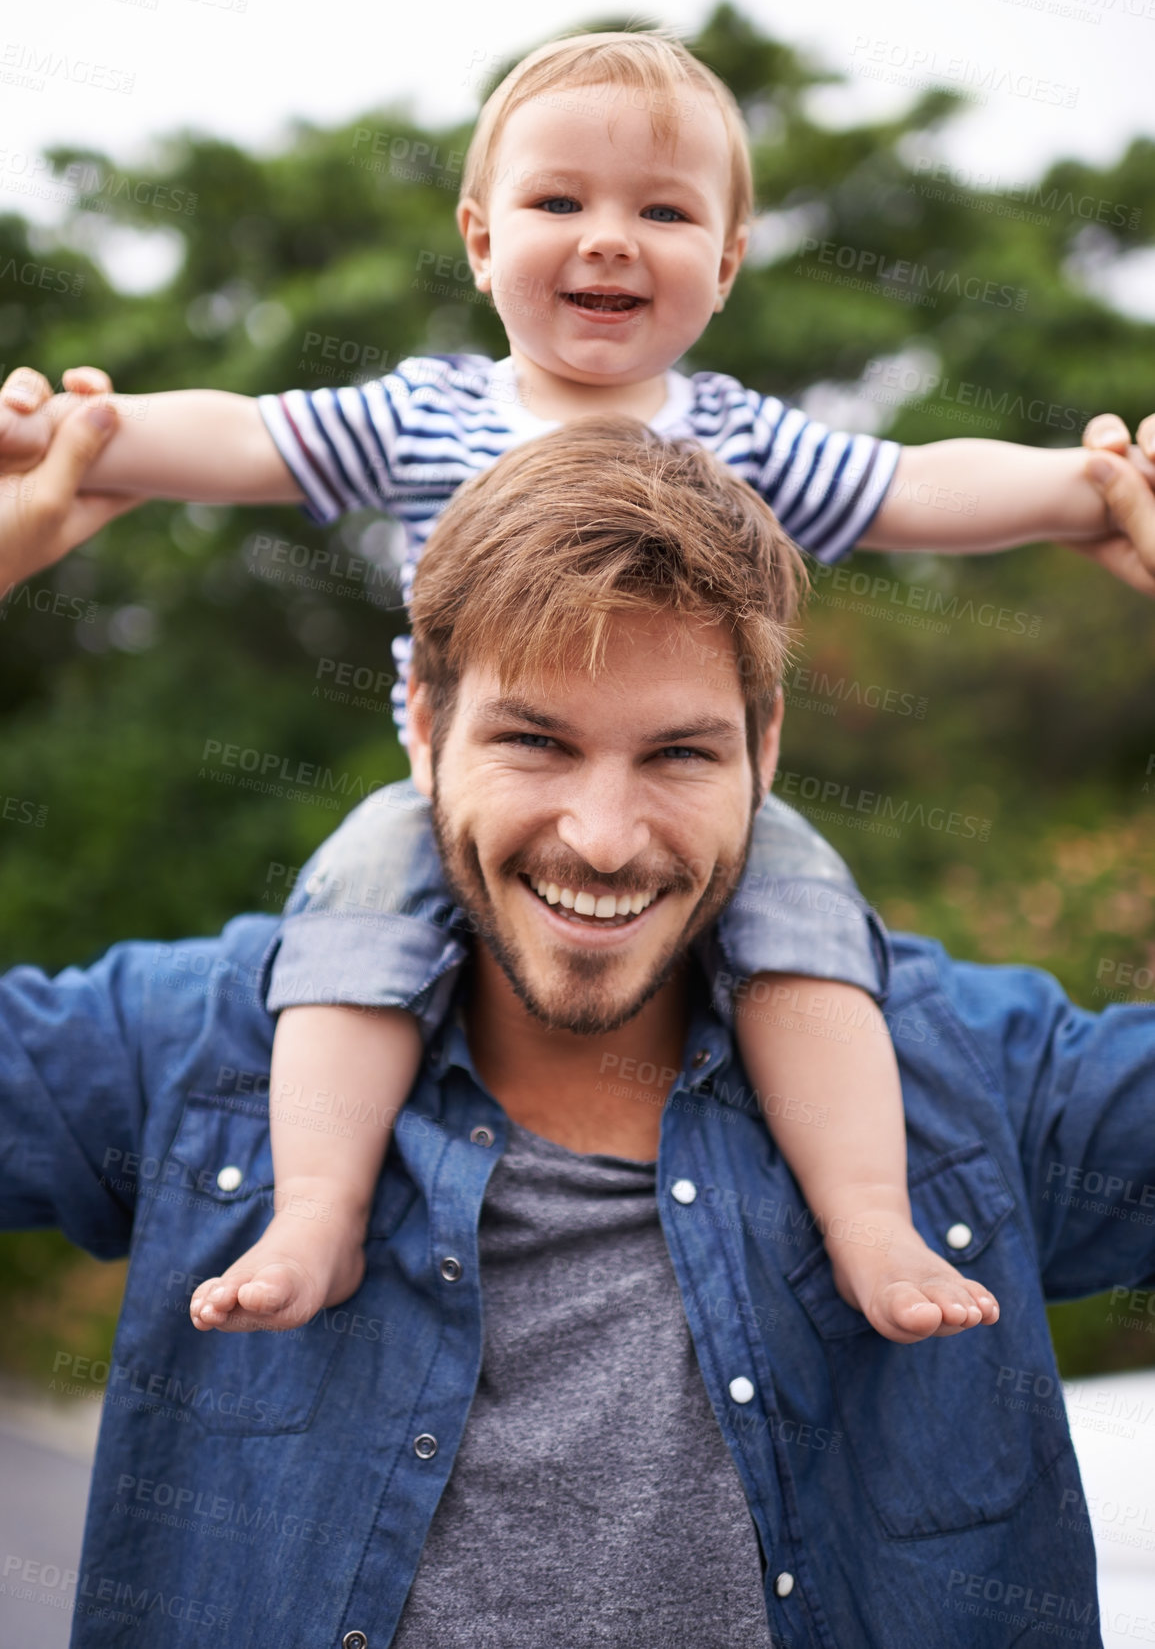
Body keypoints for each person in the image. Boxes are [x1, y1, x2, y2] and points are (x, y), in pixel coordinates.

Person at [4, 30, 1155, 1352]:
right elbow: (247, 433)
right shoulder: (424, 414)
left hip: (707, 830)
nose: (609, 238)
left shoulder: (735, 439)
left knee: (818, 949)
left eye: (662, 210)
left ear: (724, 263)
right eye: (561, 202)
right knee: (341, 941)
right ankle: (313, 1204)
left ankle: (867, 1214)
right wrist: (72, 438)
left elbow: (906, 485)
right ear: (480, 239)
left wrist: (1089, 488)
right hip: (425, 806)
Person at [2, 411, 1155, 1648]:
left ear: (766, 750)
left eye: (678, 754)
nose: (603, 839)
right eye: (534, 741)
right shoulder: (186, 1051)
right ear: (425, 729)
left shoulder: (986, 1084)